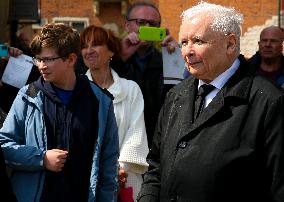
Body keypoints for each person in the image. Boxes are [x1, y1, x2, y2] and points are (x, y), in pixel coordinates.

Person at [138, 2, 284, 202]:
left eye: (197, 41)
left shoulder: (269, 102)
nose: (187, 51)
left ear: (230, 44)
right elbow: (155, 167)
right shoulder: (175, 96)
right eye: (183, 43)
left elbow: (278, 187)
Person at [0, 23, 119, 202]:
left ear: (71, 59)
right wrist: (41, 159)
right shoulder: (27, 96)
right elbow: (4, 146)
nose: (41, 65)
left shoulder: (100, 101)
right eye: (38, 59)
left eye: (48, 59)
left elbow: (108, 164)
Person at [80, 25, 149, 201]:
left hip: (125, 178)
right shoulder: (77, 90)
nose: (88, 51)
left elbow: (136, 133)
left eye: (95, 44)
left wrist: (119, 169)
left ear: (111, 50)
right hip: (85, 178)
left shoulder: (131, 89)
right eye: (84, 46)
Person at [112, 2, 178, 147]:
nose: (147, 28)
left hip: (153, 141)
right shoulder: (110, 56)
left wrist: (176, 59)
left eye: (153, 24)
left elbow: (178, 98)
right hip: (117, 140)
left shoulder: (166, 60)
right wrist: (119, 58)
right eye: (140, 22)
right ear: (127, 25)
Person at [248, 26, 284, 90]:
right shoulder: (244, 73)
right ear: (259, 44)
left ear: (282, 45)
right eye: (264, 40)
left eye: (273, 41)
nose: (267, 45)